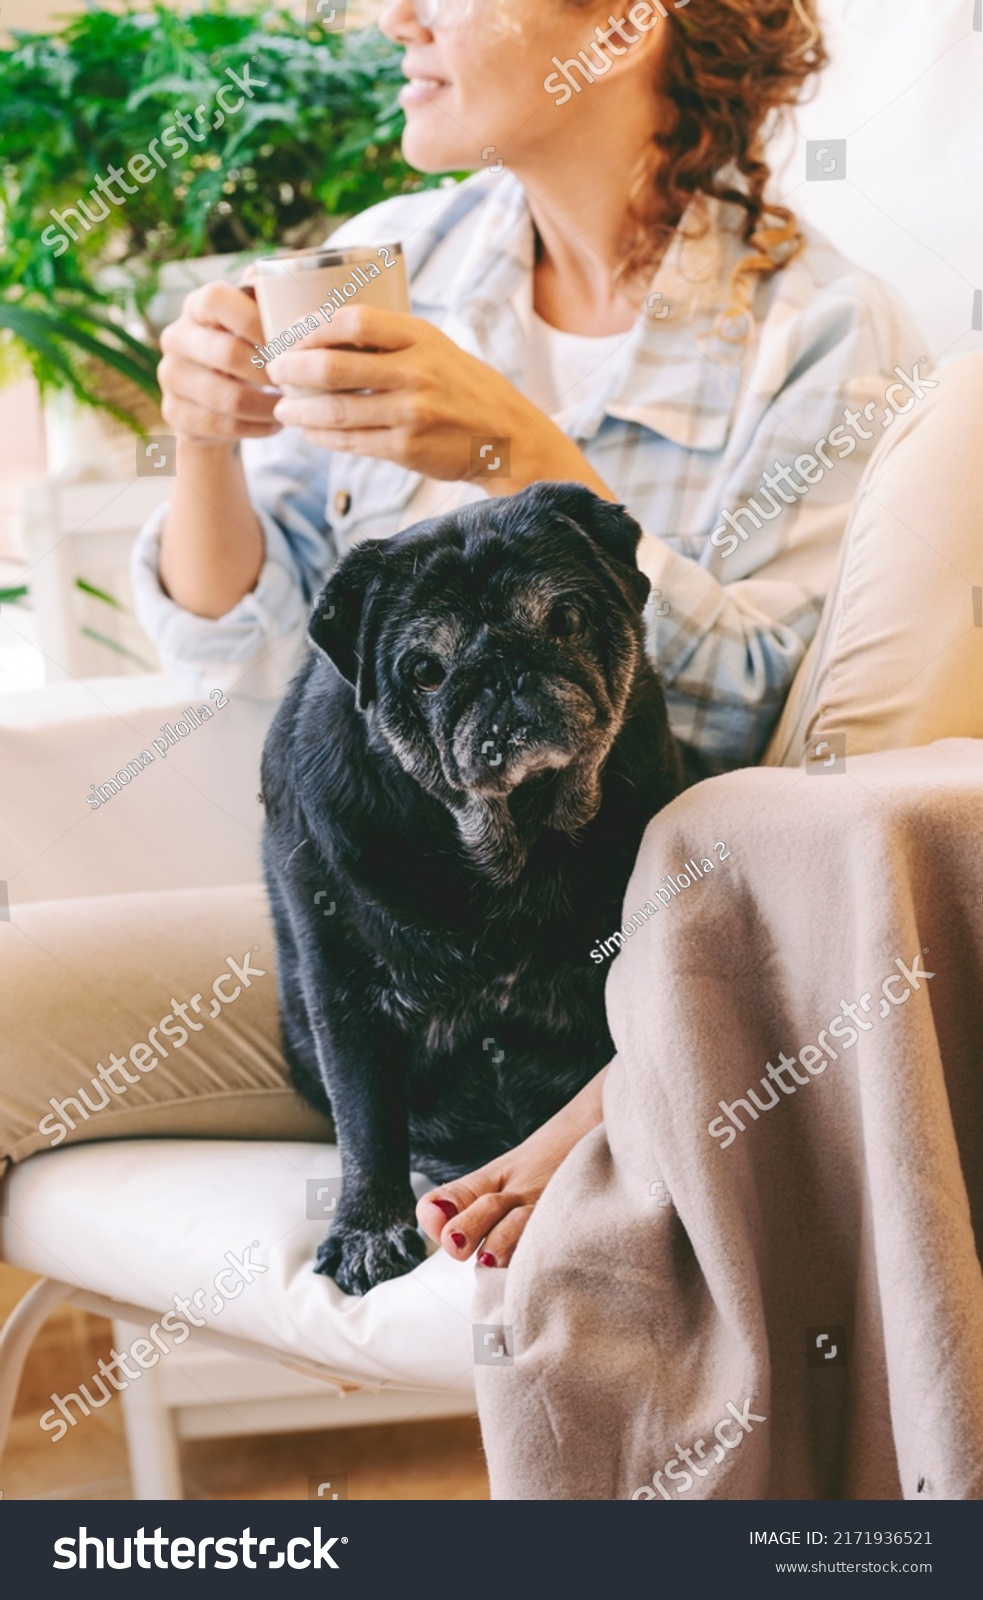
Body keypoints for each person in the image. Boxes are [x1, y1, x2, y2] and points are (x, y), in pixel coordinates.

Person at [5, 0, 980, 1276]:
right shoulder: (381, 264)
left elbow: (772, 718)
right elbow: (233, 651)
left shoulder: (816, 330)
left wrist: (511, 449)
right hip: (372, 965)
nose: (391, 16)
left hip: (614, 974)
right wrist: (201, 440)